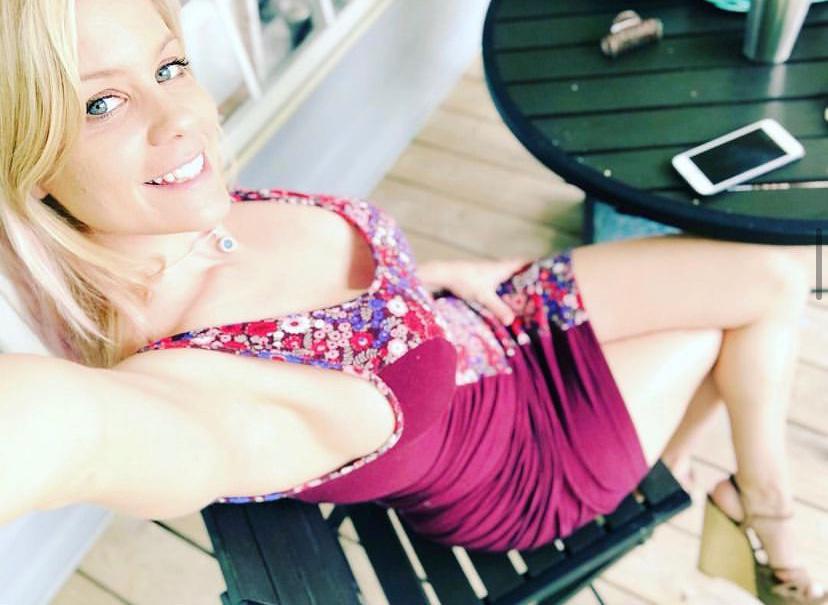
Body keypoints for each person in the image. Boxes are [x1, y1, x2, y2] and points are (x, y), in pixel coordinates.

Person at [0, 0, 823, 602]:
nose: (178, 118)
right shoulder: (193, 380)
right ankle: (761, 510)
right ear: (27, 159)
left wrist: (420, 281)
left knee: (774, 275)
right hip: (526, 459)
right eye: (101, 103)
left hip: (486, 316)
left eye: (169, 67)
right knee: (727, 332)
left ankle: (703, 473)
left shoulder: (182, 213)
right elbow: (64, 429)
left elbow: (332, 309)